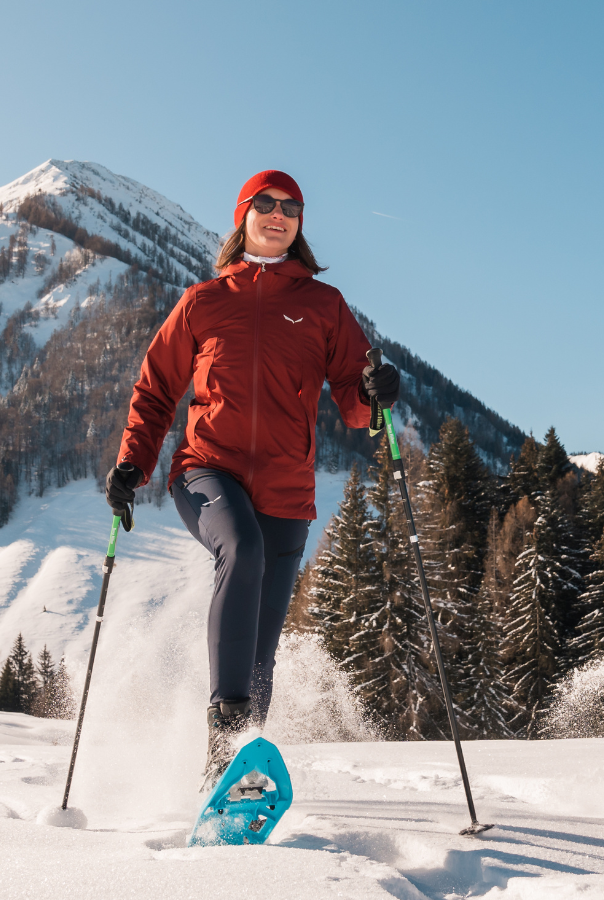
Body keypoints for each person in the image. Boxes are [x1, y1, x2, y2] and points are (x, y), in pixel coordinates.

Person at [104, 169, 401, 779]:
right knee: (240, 549)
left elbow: (353, 400)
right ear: (242, 217)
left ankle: (231, 773)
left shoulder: (324, 305)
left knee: (261, 653)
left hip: (288, 488)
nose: (278, 213)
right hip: (206, 470)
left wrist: (376, 394)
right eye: (264, 203)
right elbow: (156, 389)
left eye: (290, 206)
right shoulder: (204, 301)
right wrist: (132, 464)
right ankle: (224, 734)